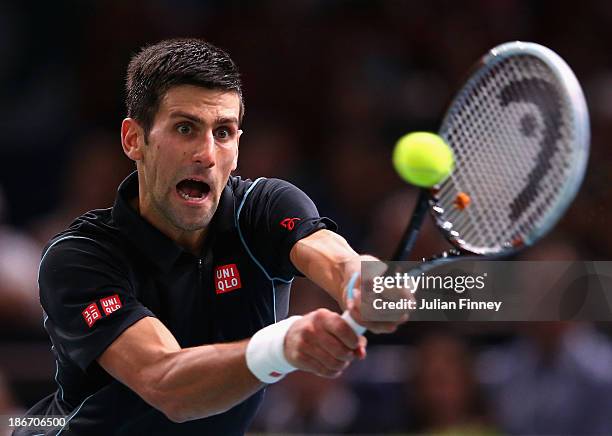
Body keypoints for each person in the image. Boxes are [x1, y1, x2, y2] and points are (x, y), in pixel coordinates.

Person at [15, 38, 402, 435]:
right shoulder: (79, 259)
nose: (206, 153)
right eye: (186, 128)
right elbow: (167, 384)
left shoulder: (262, 209)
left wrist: (362, 279)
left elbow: (332, 256)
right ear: (134, 139)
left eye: (223, 132)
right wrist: (282, 347)